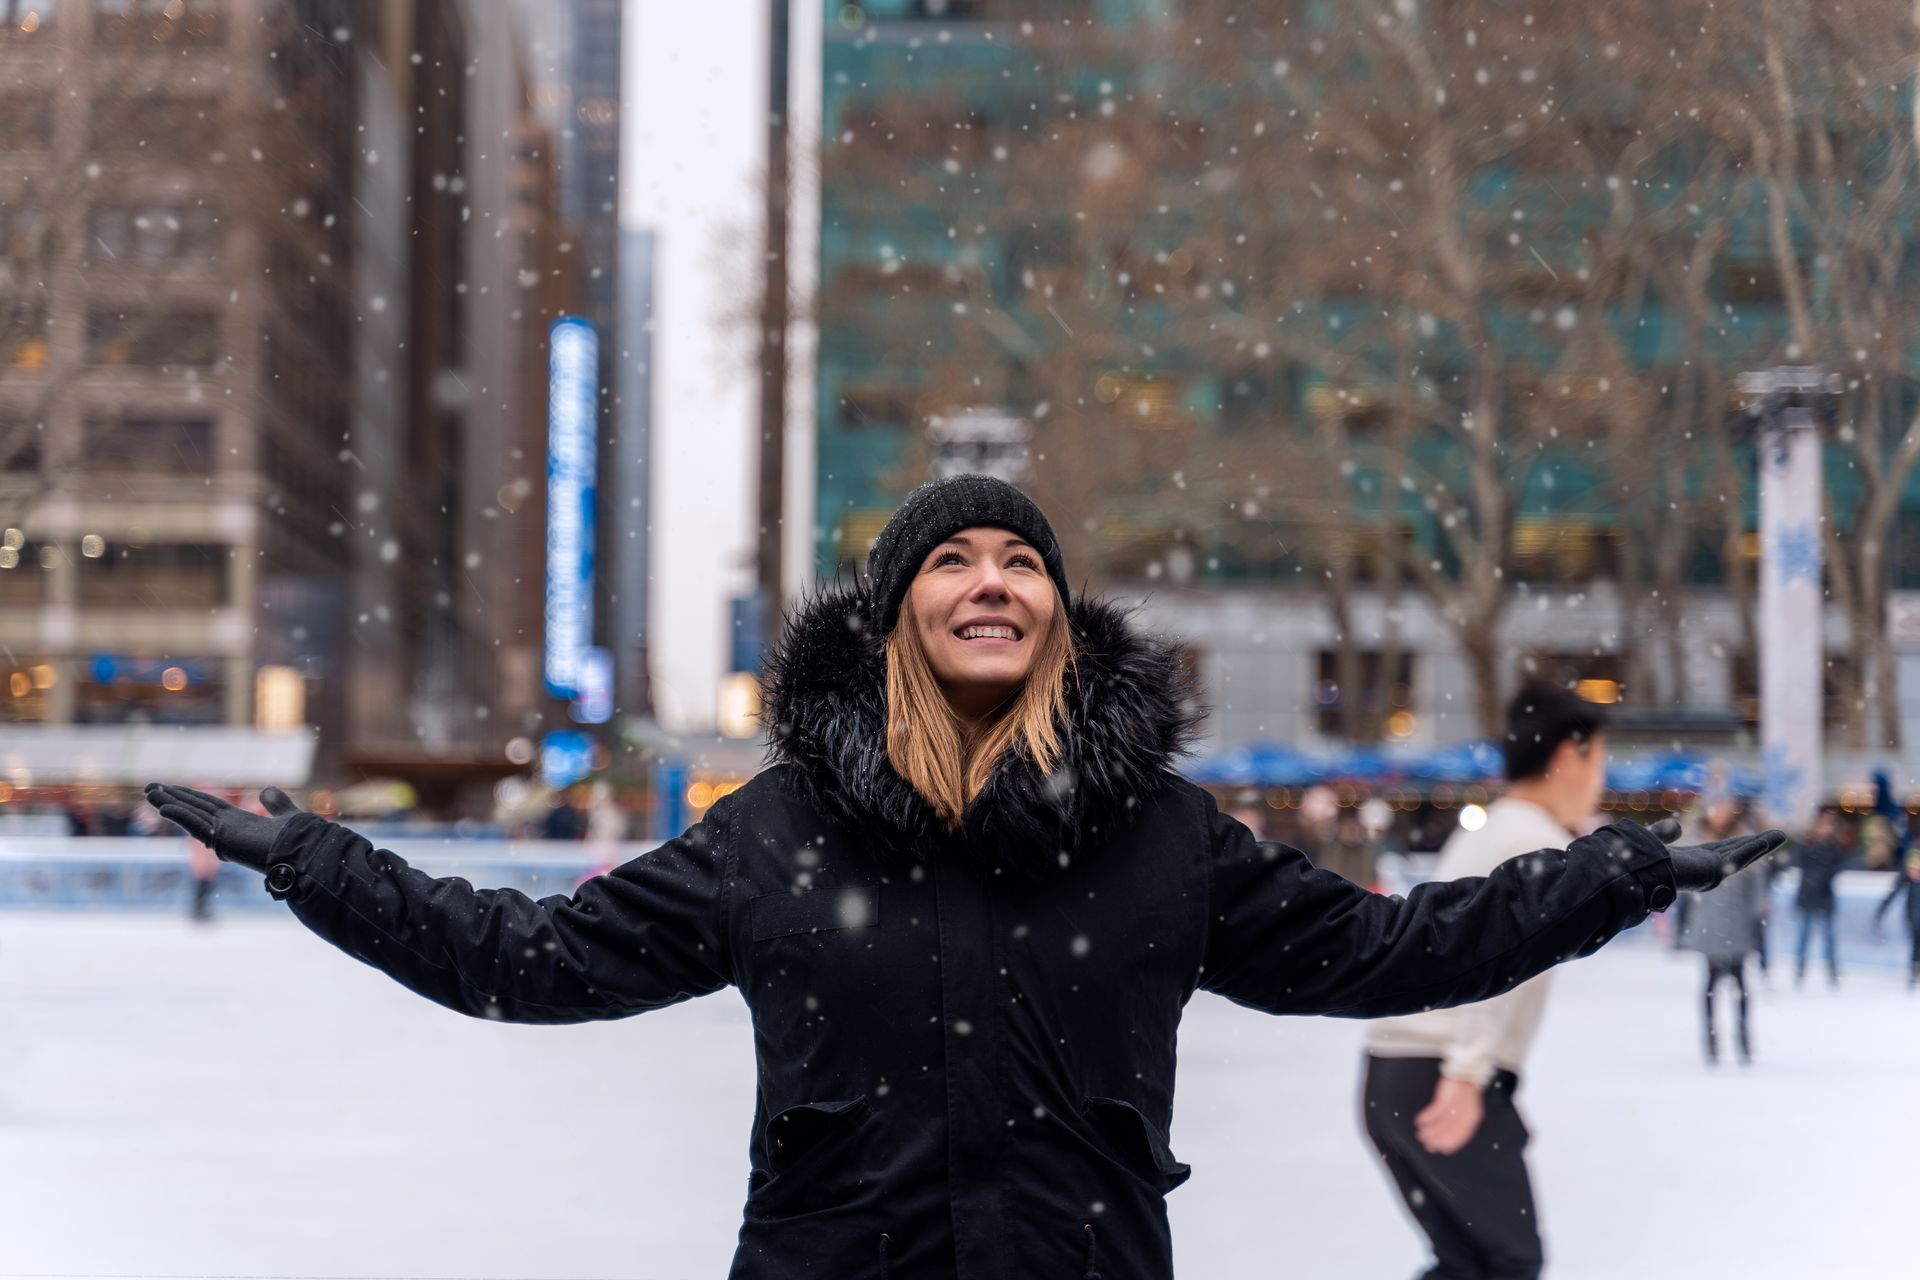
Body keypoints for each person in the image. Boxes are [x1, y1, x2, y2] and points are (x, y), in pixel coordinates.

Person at [145, 475, 1781, 1279]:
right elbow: (525, 957)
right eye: (954, 555)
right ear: (896, 609)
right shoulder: (779, 832)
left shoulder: (1161, 837)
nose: (993, 577)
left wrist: (1612, 869)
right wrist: (315, 857)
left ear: (1058, 616)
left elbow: (1398, 952)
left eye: (1023, 561)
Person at [1361, 680, 1608, 1280]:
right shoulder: (1536, 841)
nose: (1602, 780)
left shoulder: (1497, 827)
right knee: (1508, 1261)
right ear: (1568, 758)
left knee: (1467, 1263)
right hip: (1440, 1071)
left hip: (1394, 1072)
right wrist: (1468, 1075)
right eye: (1601, 761)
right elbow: (1496, 963)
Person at [1675, 813, 1769, 1065]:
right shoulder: (1703, 851)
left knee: (1737, 984)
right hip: (1712, 928)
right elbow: (1686, 894)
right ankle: (1712, 1037)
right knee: (1713, 985)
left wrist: (1758, 924)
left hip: (1735, 929)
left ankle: (1740, 1036)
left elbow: (1757, 898)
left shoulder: (1746, 859)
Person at [1792, 810, 1849, 988]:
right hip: (1809, 895)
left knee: (1828, 937)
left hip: (1824, 897)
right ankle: (1800, 969)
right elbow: (1800, 863)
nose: (1826, 828)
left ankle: (1832, 970)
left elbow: (1837, 867)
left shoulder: (1834, 847)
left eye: (1829, 824)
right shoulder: (1807, 845)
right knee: (1804, 935)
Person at [1874, 850, 1920, 990]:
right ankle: (1914, 970)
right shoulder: (1905, 878)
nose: (1914, 873)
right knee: (1916, 942)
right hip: (1913, 916)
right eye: (1912, 870)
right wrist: (1881, 911)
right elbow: (1892, 893)